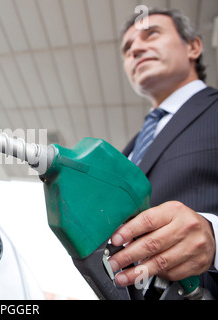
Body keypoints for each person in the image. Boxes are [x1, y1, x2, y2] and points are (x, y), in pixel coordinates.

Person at [108, 7, 218, 297]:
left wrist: (215, 239)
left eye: (151, 34)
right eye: (127, 48)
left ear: (193, 46)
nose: (136, 49)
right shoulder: (126, 152)